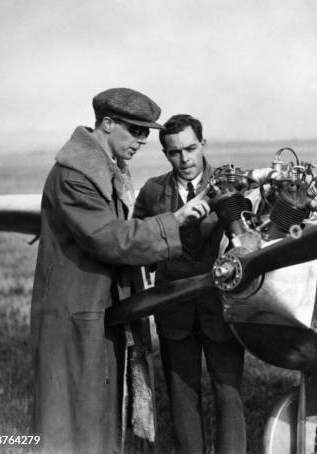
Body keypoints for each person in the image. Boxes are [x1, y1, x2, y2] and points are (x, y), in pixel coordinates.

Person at [30, 89, 211, 454]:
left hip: (96, 308)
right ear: (107, 124)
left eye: (147, 133)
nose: (143, 140)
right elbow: (109, 238)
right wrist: (172, 222)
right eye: (136, 130)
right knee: (69, 418)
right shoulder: (75, 176)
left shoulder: (102, 169)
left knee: (97, 410)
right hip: (75, 310)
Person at [134, 114, 246, 454]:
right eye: (175, 152)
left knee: (230, 395)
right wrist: (171, 228)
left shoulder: (233, 183)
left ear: (204, 144)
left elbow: (250, 241)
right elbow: (138, 244)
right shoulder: (153, 191)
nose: (185, 159)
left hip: (221, 309)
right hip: (174, 311)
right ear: (165, 154)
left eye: (191, 148)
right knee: (182, 398)